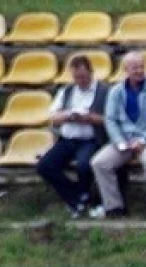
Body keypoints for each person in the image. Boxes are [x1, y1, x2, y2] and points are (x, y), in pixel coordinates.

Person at [89, 52, 146, 220]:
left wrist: (144, 140)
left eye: (141, 67)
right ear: (126, 69)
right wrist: (119, 141)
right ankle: (114, 206)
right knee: (99, 162)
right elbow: (110, 120)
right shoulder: (116, 91)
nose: (139, 71)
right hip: (124, 139)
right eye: (135, 68)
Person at [36, 55, 109, 219]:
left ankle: (80, 199)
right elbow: (53, 118)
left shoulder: (104, 91)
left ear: (91, 72)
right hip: (68, 139)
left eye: (83, 77)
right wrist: (69, 116)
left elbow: (109, 119)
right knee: (44, 166)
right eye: (77, 77)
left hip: (90, 139)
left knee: (84, 165)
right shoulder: (66, 91)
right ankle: (76, 196)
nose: (80, 81)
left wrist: (89, 118)